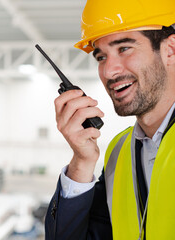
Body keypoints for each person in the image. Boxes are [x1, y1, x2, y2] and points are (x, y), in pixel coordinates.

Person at [44, 0, 175, 239]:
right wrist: (82, 162)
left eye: (124, 48)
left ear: (170, 49)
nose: (109, 71)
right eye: (101, 57)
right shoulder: (119, 151)